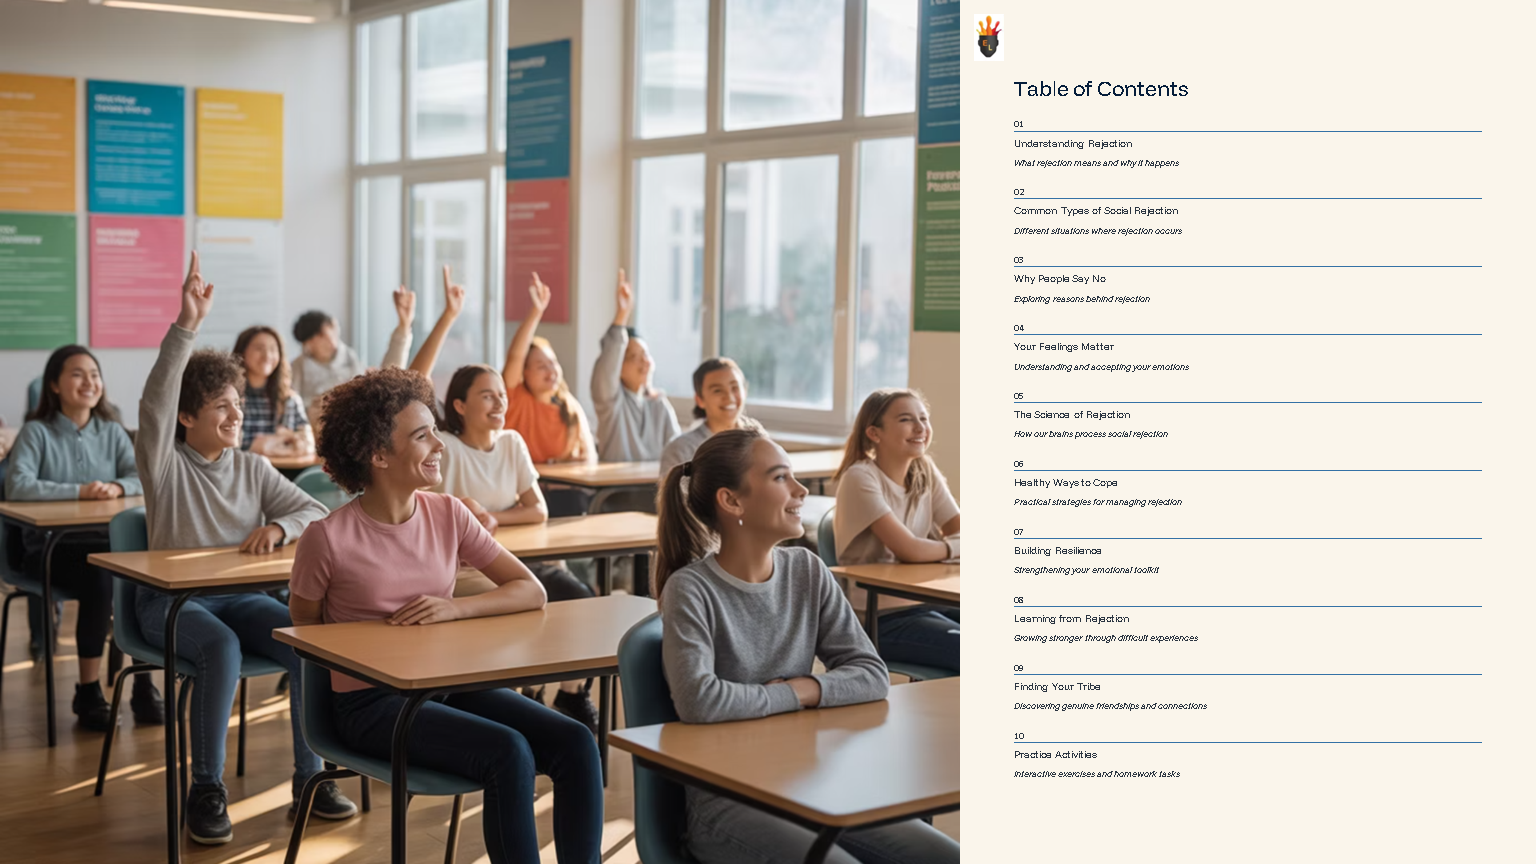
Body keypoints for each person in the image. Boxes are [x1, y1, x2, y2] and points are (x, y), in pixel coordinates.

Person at [290, 367, 603, 864]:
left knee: (576, 741)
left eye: (435, 430)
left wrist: (455, 609)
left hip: (447, 684)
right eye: (422, 435)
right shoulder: (326, 539)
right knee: (509, 752)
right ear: (377, 455)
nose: (439, 445)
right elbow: (304, 627)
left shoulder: (449, 514)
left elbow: (530, 590)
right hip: (370, 704)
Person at [655, 428, 959, 864]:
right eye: (780, 478)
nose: (800, 491)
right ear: (732, 501)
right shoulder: (691, 589)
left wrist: (808, 689)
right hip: (730, 800)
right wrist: (796, 692)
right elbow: (700, 701)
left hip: (812, 782)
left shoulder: (806, 570)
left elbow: (871, 674)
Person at [135, 252, 354, 845]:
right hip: (172, 606)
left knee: (306, 640)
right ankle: (205, 789)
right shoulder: (164, 464)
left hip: (237, 597)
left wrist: (279, 529)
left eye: (237, 403)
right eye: (220, 407)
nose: (236, 414)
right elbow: (153, 401)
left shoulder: (251, 468)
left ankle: (311, 778)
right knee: (222, 648)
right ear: (186, 418)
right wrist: (187, 326)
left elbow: (314, 509)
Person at [431, 363, 601, 732]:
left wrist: (488, 518)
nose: (499, 403)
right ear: (459, 405)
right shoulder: (446, 449)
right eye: (487, 395)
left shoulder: (511, 442)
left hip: (517, 560)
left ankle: (571, 693)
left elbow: (537, 510)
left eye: (502, 395)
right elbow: (435, 517)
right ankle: (526, 697)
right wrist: (479, 518)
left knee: (580, 595)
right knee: (522, 612)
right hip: (466, 569)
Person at [4, 345, 163, 730]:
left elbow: (138, 477)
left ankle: (143, 684)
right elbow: (18, 485)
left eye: (94, 374)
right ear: (54, 385)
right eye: (77, 374)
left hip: (105, 542)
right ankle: (88, 691)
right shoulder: (35, 432)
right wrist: (80, 492)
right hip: (50, 550)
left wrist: (113, 486)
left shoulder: (112, 431)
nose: (89, 382)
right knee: (101, 575)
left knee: (137, 573)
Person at [832, 389, 960, 675]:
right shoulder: (860, 476)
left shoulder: (924, 470)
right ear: (874, 433)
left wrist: (949, 544)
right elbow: (910, 550)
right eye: (906, 419)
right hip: (878, 619)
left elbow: (958, 527)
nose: (920, 428)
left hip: (925, 602)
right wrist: (955, 547)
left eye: (923, 419)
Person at [501, 273, 595, 466]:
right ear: (524, 373)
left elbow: (589, 458)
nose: (551, 371)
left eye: (553, 363)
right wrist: (537, 311)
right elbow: (515, 356)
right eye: (541, 366)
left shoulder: (570, 407)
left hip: (564, 489)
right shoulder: (516, 400)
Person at [290, 285, 415, 425]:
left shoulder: (350, 358)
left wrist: (403, 327)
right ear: (308, 344)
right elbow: (292, 407)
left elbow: (388, 377)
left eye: (328, 331)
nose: (328, 339)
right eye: (319, 336)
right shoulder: (298, 368)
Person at [589, 269, 678, 462]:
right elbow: (607, 364)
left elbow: (678, 452)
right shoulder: (611, 403)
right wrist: (622, 315)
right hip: (617, 490)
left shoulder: (659, 404)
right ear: (617, 369)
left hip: (654, 489)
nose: (644, 361)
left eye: (645, 355)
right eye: (633, 357)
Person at [658, 357, 756, 479]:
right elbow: (673, 497)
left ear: (745, 391)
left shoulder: (758, 442)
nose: (729, 397)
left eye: (734, 388)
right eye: (717, 390)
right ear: (700, 400)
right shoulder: (681, 449)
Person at [233, 324, 314, 456]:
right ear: (242, 352)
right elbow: (230, 446)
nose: (267, 355)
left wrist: (264, 444)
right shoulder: (231, 398)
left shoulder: (290, 399)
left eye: (273, 349)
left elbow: (308, 445)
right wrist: (283, 440)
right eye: (259, 349)